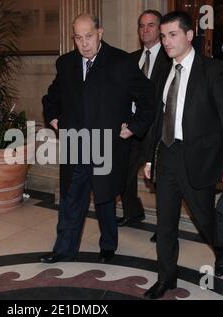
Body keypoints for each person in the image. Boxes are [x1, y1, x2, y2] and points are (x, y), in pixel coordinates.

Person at [41, 14, 156, 264]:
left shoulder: (122, 62)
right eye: (78, 38)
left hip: (107, 145)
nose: (84, 44)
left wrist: (134, 127)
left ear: (100, 33)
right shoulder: (66, 63)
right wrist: (53, 118)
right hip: (75, 144)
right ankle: (64, 250)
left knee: (104, 198)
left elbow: (149, 99)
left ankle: (108, 246)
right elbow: (52, 97)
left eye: (89, 36)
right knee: (71, 199)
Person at [143, 11, 223, 300]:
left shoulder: (213, 70)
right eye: (163, 36)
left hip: (198, 156)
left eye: (172, 35)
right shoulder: (163, 71)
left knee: (205, 218)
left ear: (189, 36)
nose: (166, 41)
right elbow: (157, 118)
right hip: (168, 155)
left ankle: (221, 249)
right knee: (165, 223)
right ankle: (166, 278)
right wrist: (150, 157)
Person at [118, 10, 171, 245]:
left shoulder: (170, 59)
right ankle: (133, 212)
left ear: (159, 30)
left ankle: (165, 226)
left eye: (150, 25)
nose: (145, 30)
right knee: (123, 174)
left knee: (160, 182)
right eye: (141, 26)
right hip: (132, 128)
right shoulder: (131, 58)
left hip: (158, 130)